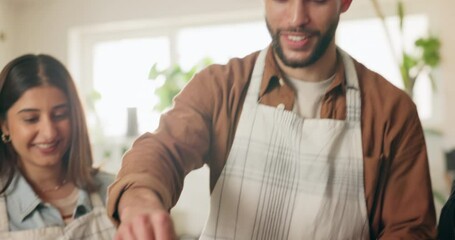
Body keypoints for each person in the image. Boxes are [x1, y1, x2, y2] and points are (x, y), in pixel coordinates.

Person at [108, 0, 437, 239]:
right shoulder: (222, 88)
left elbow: (410, 231)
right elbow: (164, 150)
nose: (297, 17)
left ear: (345, 1)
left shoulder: (392, 112)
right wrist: (140, 202)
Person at [0, 54, 116, 239]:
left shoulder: (114, 191)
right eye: (31, 119)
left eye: (60, 115)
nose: (49, 133)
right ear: (4, 125)